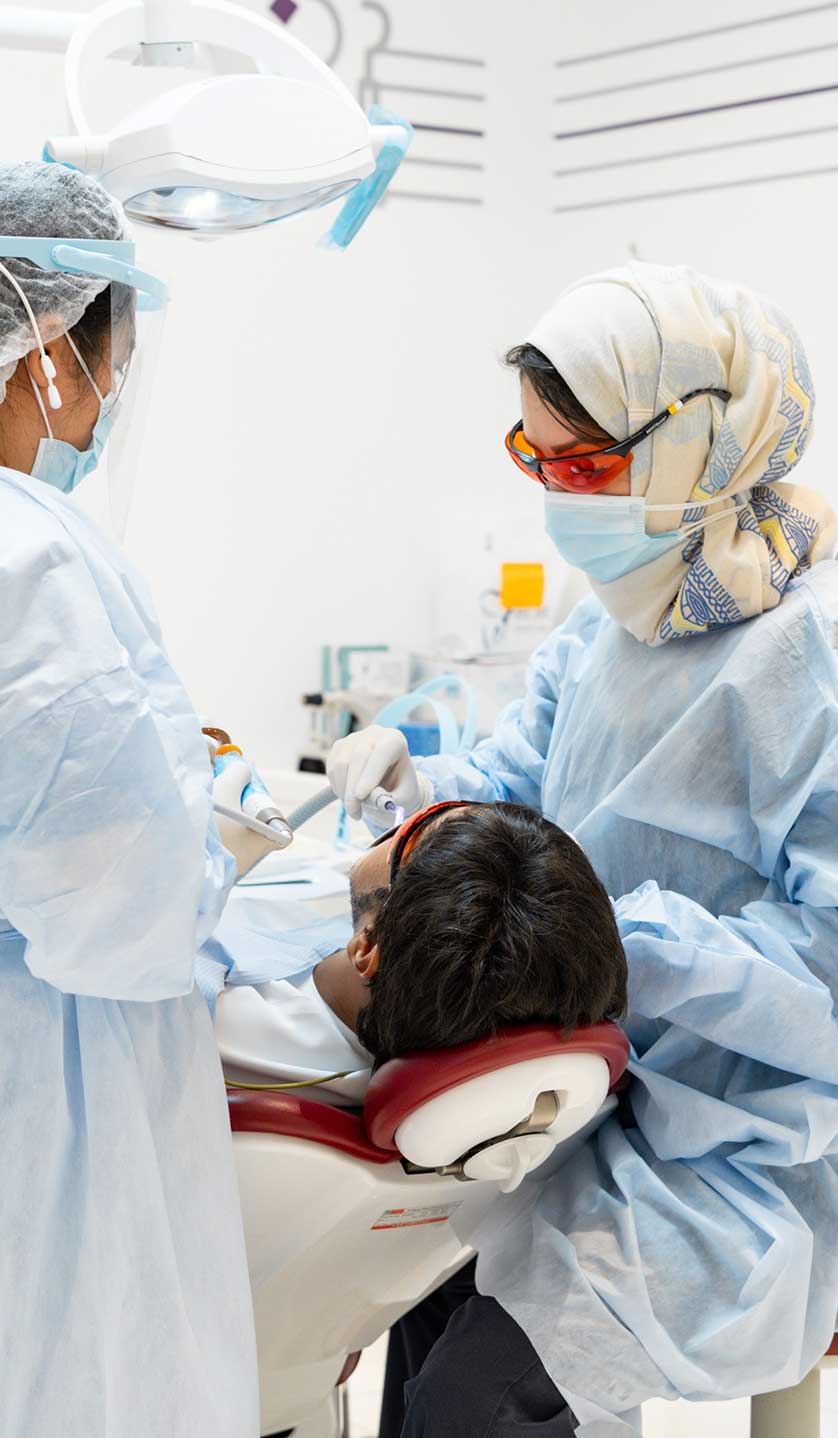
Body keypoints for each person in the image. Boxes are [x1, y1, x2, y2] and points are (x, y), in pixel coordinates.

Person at [326, 263, 838, 1437]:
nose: (557, 499)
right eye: (533, 460)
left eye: (584, 466)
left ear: (700, 446)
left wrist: (621, 936)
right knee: (420, 1293)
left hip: (792, 1148)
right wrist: (421, 797)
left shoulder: (828, 658)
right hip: (633, 1098)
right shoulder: (614, 618)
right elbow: (526, 799)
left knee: (477, 1396)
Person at [0, 162, 259, 1437]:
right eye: (114, 357)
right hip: (44, 1093)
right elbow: (131, 916)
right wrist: (217, 853)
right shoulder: (30, 560)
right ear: (49, 348)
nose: (109, 399)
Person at [204, 801, 627, 1100]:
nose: (394, 829)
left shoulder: (216, 1019)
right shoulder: (468, 998)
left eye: (414, 832)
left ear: (368, 948)